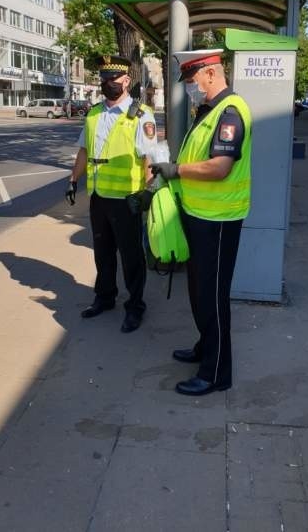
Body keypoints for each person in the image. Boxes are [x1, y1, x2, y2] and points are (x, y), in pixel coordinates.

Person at [151, 49, 252, 395]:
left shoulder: (230, 112)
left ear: (210, 73)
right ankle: (204, 346)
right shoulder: (208, 111)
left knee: (213, 296)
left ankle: (215, 373)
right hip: (199, 216)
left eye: (193, 81)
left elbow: (220, 168)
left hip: (219, 220)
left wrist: (176, 170)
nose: (191, 88)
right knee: (197, 291)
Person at [65, 55, 157, 333]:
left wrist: (148, 191)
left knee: (131, 256)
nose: (107, 83)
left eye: (113, 79)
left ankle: (135, 306)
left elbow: (149, 157)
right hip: (98, 196)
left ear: (126, 81)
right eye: (103, 79)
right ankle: (105, 297)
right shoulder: (94, 113)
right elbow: (84, 151)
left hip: (127, 198)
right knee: (103, 252)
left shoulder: (140, 115)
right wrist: (73, 180)